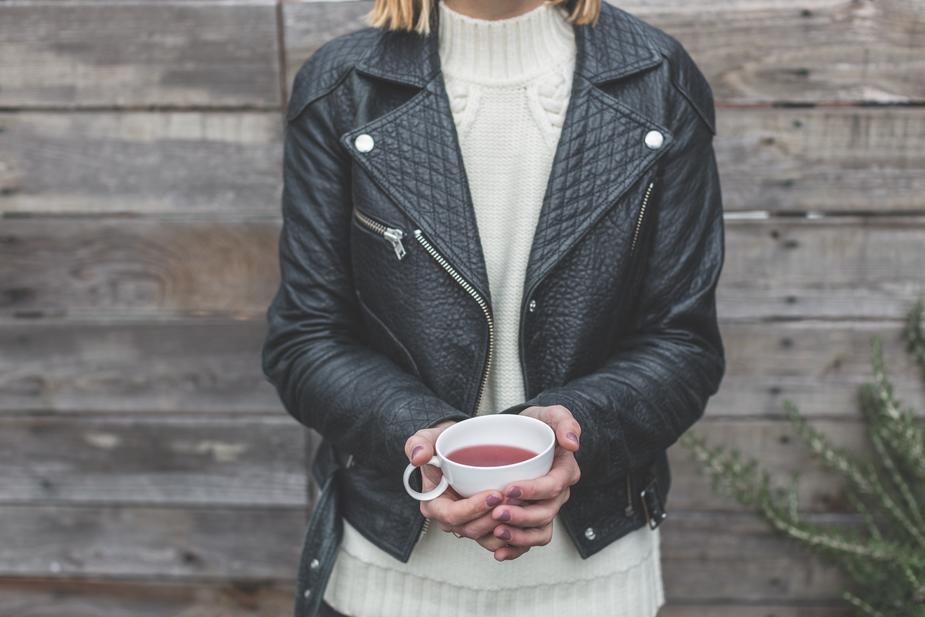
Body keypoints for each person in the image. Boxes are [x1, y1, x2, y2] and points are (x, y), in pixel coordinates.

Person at [261, 0, 726, 616]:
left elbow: (683, 343)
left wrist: (573, 433)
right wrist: (419, 436)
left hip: (595, 581)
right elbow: (306, 340)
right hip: (386, 577)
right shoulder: (344, 85)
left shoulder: (657, 77)